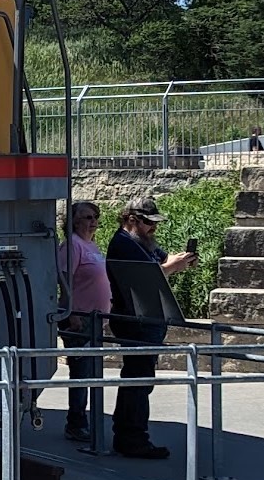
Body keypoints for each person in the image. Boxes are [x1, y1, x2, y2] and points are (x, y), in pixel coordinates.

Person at [105, 197, 197, 459]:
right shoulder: (124, 244)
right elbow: (148, 275)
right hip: (135, 320)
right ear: (131, 220)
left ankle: (129, 435)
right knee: (138, 380)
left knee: (139, 379)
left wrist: (180, 260)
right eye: (148, 223)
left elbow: (161, 259)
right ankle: (132, 438)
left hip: (145, 319)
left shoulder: (140, 241)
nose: (152, 228)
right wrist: (171, 267)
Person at [55, 201, 110, 443]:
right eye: (87, 217)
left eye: (95, 216)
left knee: (90, 372)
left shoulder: (91, 245)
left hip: (96, 319)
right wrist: (71, 312)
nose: (93, 221)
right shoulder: (72, 246)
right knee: (82, 372)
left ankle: (85, 420)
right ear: (74, 221)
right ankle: (76, 423)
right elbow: (64, 280)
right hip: (79, 318)